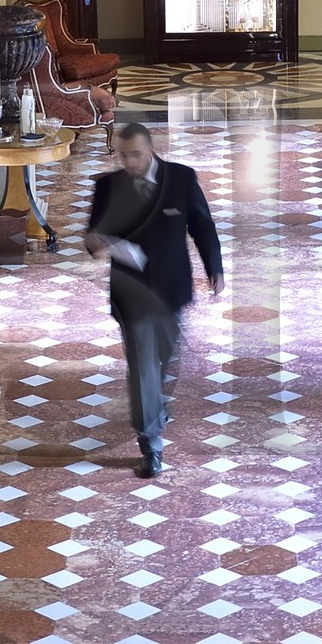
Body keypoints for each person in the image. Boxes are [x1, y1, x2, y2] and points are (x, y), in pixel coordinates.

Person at [85, 121, 224, 477]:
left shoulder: (181, 179)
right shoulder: (108, 186)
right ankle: (150, 443)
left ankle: (155, 410)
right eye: (123, 155)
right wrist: (99, 243)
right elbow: (93, 234)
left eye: (135, 154)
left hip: (172, 289)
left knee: (166, 358)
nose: (129, 162)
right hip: (131, 292)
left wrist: (215, 268)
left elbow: (202, 225)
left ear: (150, 149)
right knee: (144, 367)